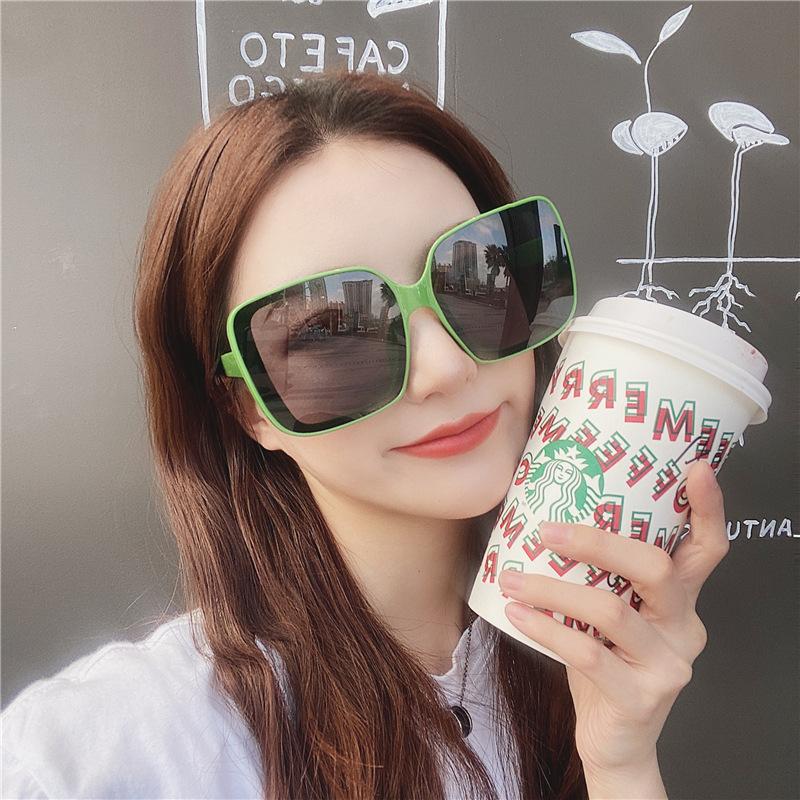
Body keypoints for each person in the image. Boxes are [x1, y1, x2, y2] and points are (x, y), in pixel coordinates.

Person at [1, 69, 729, 800]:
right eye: (332, 331)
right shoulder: (109, 756)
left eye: (478, 275)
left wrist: (621, 766)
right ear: (246, 407)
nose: (445, 368)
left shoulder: (569, 661)